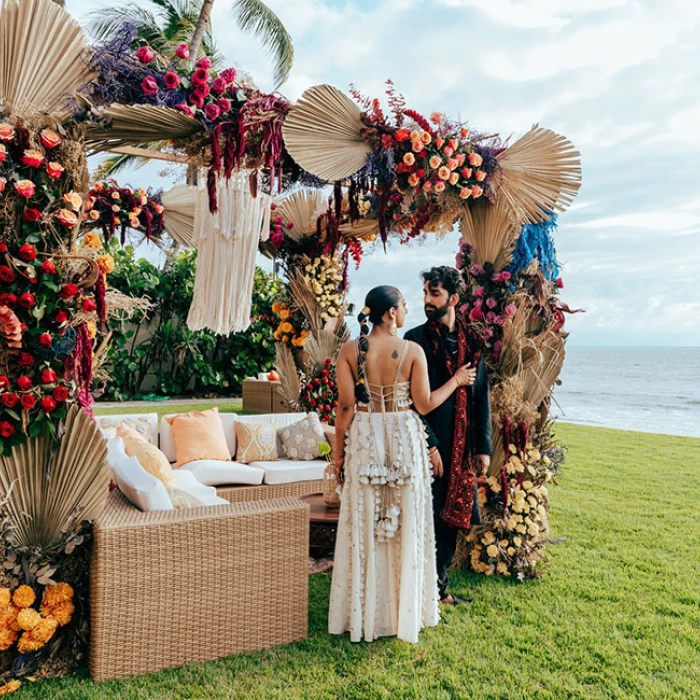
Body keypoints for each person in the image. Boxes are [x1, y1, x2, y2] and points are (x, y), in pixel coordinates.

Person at [328, 285, 476, 643]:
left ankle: (364, 613)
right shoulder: (412, 350)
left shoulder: (349, 351)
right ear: (391, 313)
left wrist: (338, 455)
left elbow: (345, 408)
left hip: (365, 436)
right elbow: (423, 405)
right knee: (404, 520)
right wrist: (456, 381)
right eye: (404, 305)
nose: (408, 310)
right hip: (404, 437)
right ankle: (403, 610)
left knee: (366, 520)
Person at [404, 266, 492, 606]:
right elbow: (409, 400)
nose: (427, 299)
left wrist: (483, 447)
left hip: (462, 448)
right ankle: (424, 590)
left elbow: (481, 394)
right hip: (429, 444)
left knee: (451, 522)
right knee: (425, 517)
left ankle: (437, 590)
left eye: (434, 294)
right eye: (426, 292)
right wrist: (430, 444)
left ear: (453, 299)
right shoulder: (415, 340)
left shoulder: (473, 341)